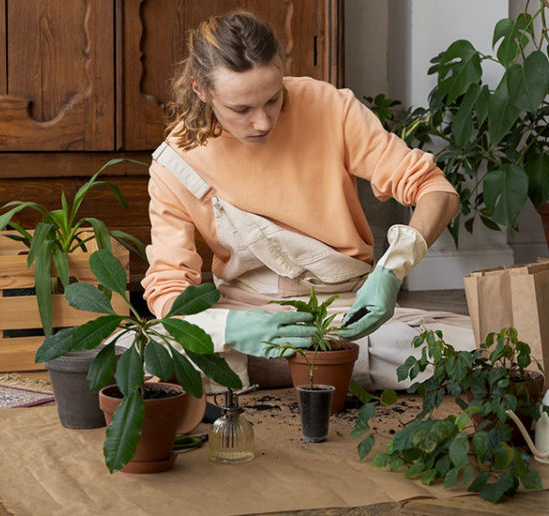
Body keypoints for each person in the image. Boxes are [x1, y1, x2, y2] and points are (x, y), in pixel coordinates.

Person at [141, 10, 460, 390]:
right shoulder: (175, 163)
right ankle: (330, 366)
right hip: (245, 313)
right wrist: (229, 328)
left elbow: (435, 189)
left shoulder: (330, 107)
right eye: (241, 109)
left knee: (479, 351)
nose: (262, 122)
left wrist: (392, 270)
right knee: (141, 355)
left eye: (273, 100)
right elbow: (168, 286)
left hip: (345, 310)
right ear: (200, 90)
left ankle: (282, 368)